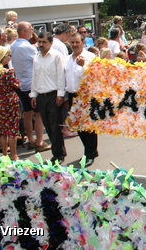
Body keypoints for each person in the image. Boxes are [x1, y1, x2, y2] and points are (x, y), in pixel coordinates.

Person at [30, 32, 66, 164]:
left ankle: (58, 155)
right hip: (41, 95)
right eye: (39, 42)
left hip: (53, 95)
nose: (41, 44)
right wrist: (33, 94)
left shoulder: (57, 56)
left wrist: (60, 94)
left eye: (44, 42)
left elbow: (61, 76)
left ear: (51, 43)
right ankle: (59, 150)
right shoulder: (36, 57)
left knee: (55, 126)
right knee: (48, 126)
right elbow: (34, 76)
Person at [11, 22, 48, 152]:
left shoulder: (13, 45)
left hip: (20, 84)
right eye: (31, 29)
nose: (33, 32)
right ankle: (39, 141)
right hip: (31, 84)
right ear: (25, 31)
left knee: (27, 112)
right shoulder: (28, 47)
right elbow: (39, 62)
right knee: (38, 113)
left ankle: (31, 140)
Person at [65, 32, 98, 167]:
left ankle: (90, 153)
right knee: (78, 126)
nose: (74, 45)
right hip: (73, 95)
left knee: (88, 127)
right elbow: (66, 78)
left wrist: (83, 65)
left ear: (83, 42)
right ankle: (90, 151)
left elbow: (94, 76)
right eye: (72, 42)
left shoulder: (90, 57)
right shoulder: (67, 59)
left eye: (77, 42)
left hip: (86, 95)